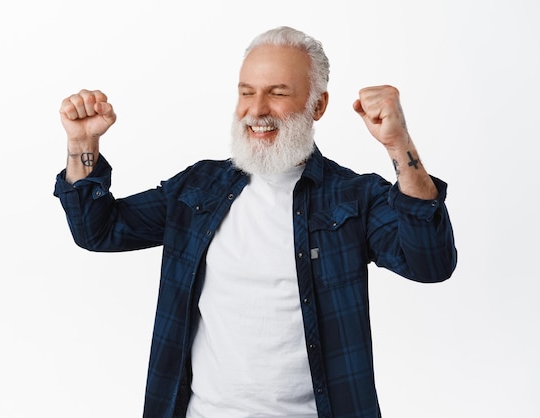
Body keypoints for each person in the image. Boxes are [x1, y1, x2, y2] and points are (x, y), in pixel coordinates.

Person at [54, 26, 456, 418]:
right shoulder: (198, 188)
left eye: (278, 93)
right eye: (247, 92)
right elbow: (98, 231)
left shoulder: (354, 196)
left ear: (318, 105)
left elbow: (430, 264)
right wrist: (81, 144)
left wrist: (398, 144)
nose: (257, 109)